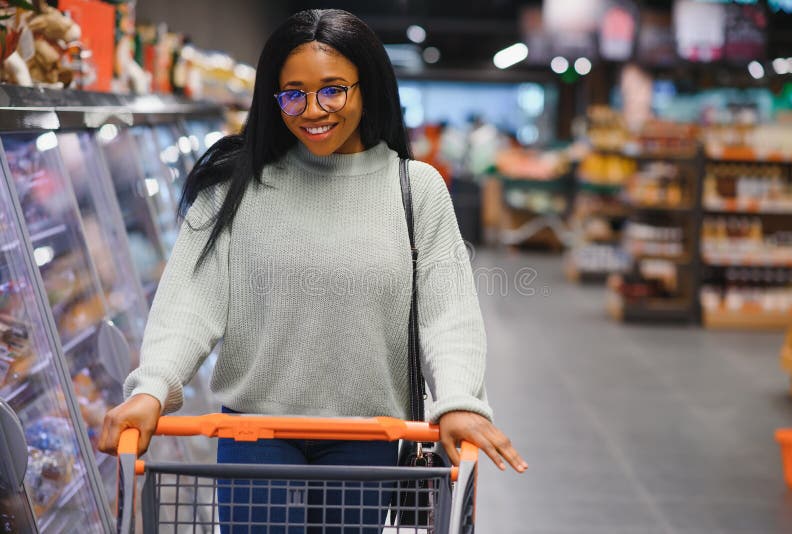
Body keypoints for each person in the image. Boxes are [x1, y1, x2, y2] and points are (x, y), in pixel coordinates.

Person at [98, 8, 526, 532]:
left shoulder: (415, 189)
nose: (312, 110)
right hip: (255, 436)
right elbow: (190, 299)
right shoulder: (235, 187)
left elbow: (448, 313)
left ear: (366, 88)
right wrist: (152, 389)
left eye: (333, 90)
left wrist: (458, 402)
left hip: (368, 438)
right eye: (293, 93)